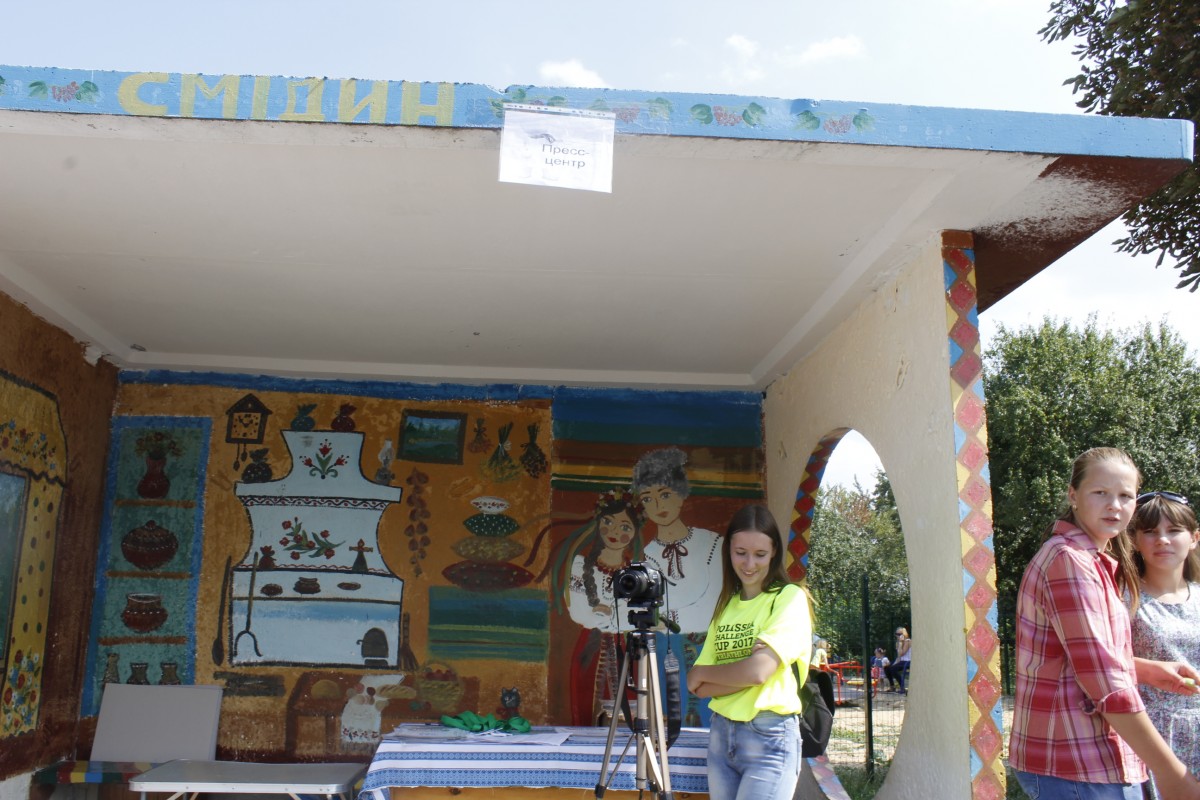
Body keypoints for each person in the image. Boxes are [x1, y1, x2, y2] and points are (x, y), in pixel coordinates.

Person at [1008, 447, 1200, 800]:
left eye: (1126, 496)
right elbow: (1106, 682)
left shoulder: (1090, 561)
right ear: (1073, 495)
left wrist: (1146, 669)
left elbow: (1078, 660)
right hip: (1078, 762)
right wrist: (1172, 774)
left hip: (1091, 761)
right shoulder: (1069, 561)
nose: (1114, 505)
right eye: (1100, 492)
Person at [686, 505, 812, 800]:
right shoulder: (726, 607)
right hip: (721, 734)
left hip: (769, 735)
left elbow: (757, 673)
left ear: (774, 552)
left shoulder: (788, 599)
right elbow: (697, 687)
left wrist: (707, 671)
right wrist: (741, 670)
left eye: (760, 554)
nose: (749, 564)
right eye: (740, 552)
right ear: (728, 551)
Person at [632, 447, 724, 725]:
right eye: (647, 498)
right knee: (667, 722)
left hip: (708, 650)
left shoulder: (712, 544)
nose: (657, 505)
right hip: (666, 650)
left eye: (664, 495)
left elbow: (716, 598)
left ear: (681, 494)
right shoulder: (646, 556)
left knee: (709, 722)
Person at [541, 488, 644, 725]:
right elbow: (579, 611)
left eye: (625, 527)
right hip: (590, 648)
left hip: (627, 649)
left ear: (634, 532)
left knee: (628, 715)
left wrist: (610, 613)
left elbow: (637, 614)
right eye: (608, 522)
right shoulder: (580, 566)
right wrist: (615, 614)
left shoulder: (638, 572)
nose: (615, 532)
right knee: (585, 708)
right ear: (598, 524)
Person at [1123, 491, 1200, 800]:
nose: (1162, 540)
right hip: (1151, 738)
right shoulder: (1123, 598)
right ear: (1135, 540)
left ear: (1194, 538)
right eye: (1151, 531)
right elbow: (1099, 662)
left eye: (1174, 530)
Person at [884, 627, 911, 694]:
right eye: (897, 634)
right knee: (886, 667)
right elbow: (899, 656)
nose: (898, 636)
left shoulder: (908, 641)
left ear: (904, 634)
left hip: (907, 661)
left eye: (900, 634)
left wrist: (901, 643)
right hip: (901, 660)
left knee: (893, 669)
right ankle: (892, 686)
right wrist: (895, 662)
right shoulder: (898, 642)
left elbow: (901, 653)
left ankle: (902, 687)